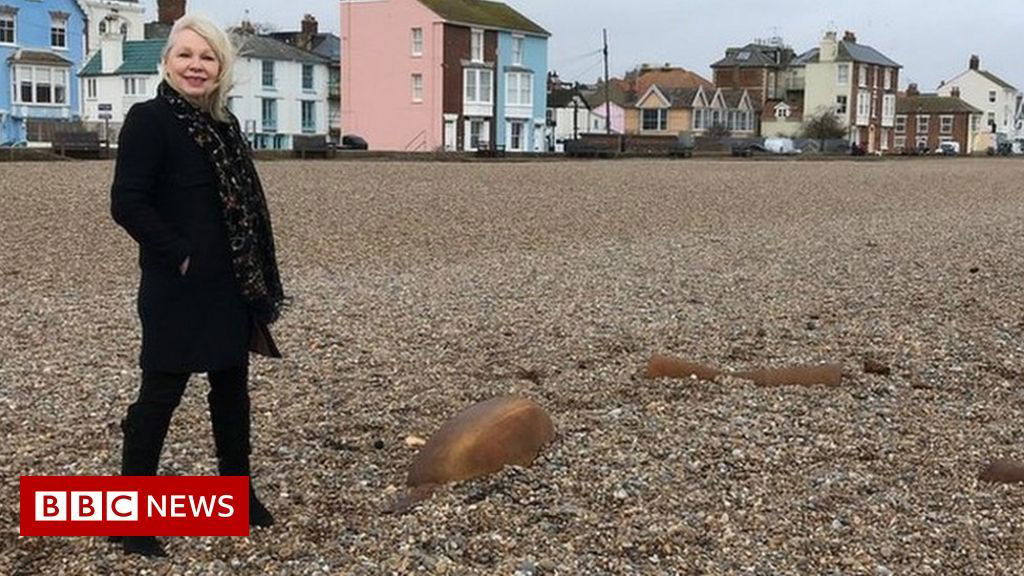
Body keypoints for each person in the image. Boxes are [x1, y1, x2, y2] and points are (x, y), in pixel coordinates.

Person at [110, 14, 285, 558]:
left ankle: (238, 495)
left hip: (231, 284)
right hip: (177, 288)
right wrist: (180, 255)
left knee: (231, 391)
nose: (196, 65)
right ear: (167, 62)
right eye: (186, 55)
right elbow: (127, 203)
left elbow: (244, 207)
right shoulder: (149, 120)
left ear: (221, 68)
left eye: (207, 57)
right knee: (159, 397)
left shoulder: (225, 126)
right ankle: (128, 520)